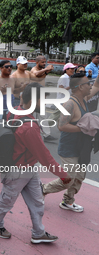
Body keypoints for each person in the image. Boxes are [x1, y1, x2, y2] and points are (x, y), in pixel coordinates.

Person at [0, 83, 71, 243]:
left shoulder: (15, 110)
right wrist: (62, 175)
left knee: (38, 200)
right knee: (7, 200)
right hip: (17, 170)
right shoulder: (29, 127)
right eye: (43, 100)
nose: (44, 104)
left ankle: (38, 232)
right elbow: (44, 156)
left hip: (27, 167)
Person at [42, 73, 92, 212]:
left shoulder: (85, 98)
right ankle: (42, 190)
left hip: (82, 148)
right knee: (68, 179)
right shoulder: (70, 103)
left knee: (79, 178)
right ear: (80, 87)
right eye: (88, 84)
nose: (91, 85)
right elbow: (62, 126)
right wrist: (84, 129)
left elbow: (98, 85)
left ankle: (67, 201)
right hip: (69, 148)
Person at [29, 55, 57, 141]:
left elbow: (41, 78)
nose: (44, 63)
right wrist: (46, 69)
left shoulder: (41, 71)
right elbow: (36, 74)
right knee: (32, 115)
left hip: (40, 96)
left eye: (45, 62)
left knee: (42, 115)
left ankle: (46, 134)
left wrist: (46, 71)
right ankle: (30, 133)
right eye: (42, 62)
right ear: (37, 62)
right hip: (34, 96)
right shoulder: (34, 69)